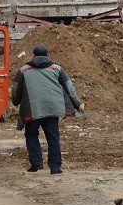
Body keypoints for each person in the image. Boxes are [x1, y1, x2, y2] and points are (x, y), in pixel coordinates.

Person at [10, 44, 83, 174]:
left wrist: (16, 102)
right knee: (53, 136)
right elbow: (69, 87)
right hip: (52, 108)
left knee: (31, 134)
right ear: (47, 55)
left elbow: (16, 90)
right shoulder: (56, 68)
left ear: (33, 55)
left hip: (33, 109)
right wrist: (77, 103)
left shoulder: (24, 70)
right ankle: (55, 167)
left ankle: (36, 163)